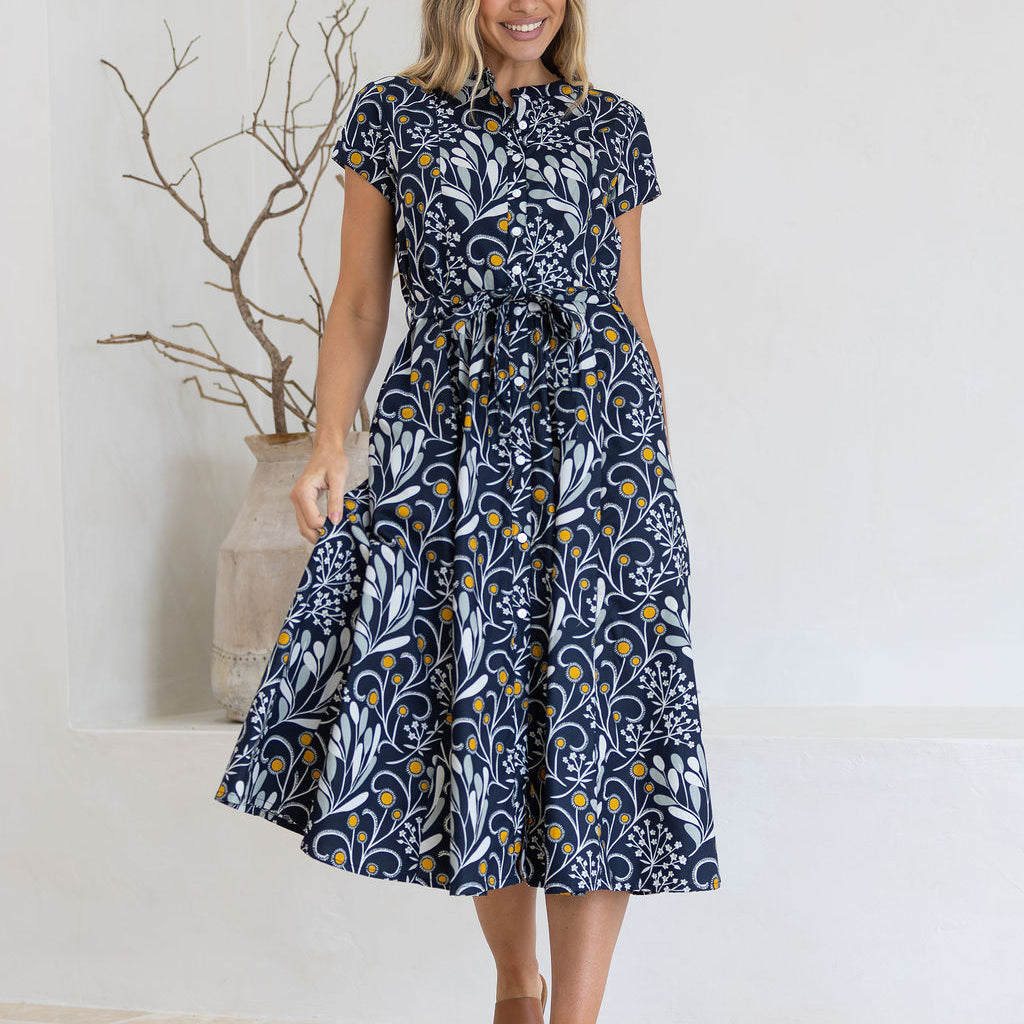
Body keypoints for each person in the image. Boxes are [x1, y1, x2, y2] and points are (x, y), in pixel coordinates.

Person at [213, 2, 722, 1021]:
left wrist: (655, 468)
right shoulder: (392, 117)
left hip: (600, 450)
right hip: (450, 444)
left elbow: (627, 305)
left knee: (600, 725)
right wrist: (328, 444)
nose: (527, 3)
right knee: (478, 708)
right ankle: (516, 980)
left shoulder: (610, 123)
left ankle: (570, 1014)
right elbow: (360, 302)